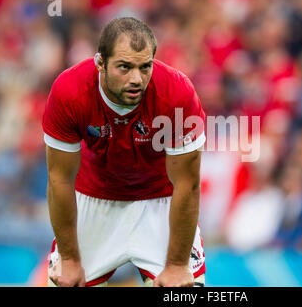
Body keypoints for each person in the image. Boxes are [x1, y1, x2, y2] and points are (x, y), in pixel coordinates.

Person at [42, 17, 206, 287]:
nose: (136, 79)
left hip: (161, 200)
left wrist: (177, 264)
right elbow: (59, 177)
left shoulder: (177, 92)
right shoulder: (69, 91)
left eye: (145, 67)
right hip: (93, 197)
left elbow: (187, 183)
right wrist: (70, 258)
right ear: (100, 63)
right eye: (124, 67)